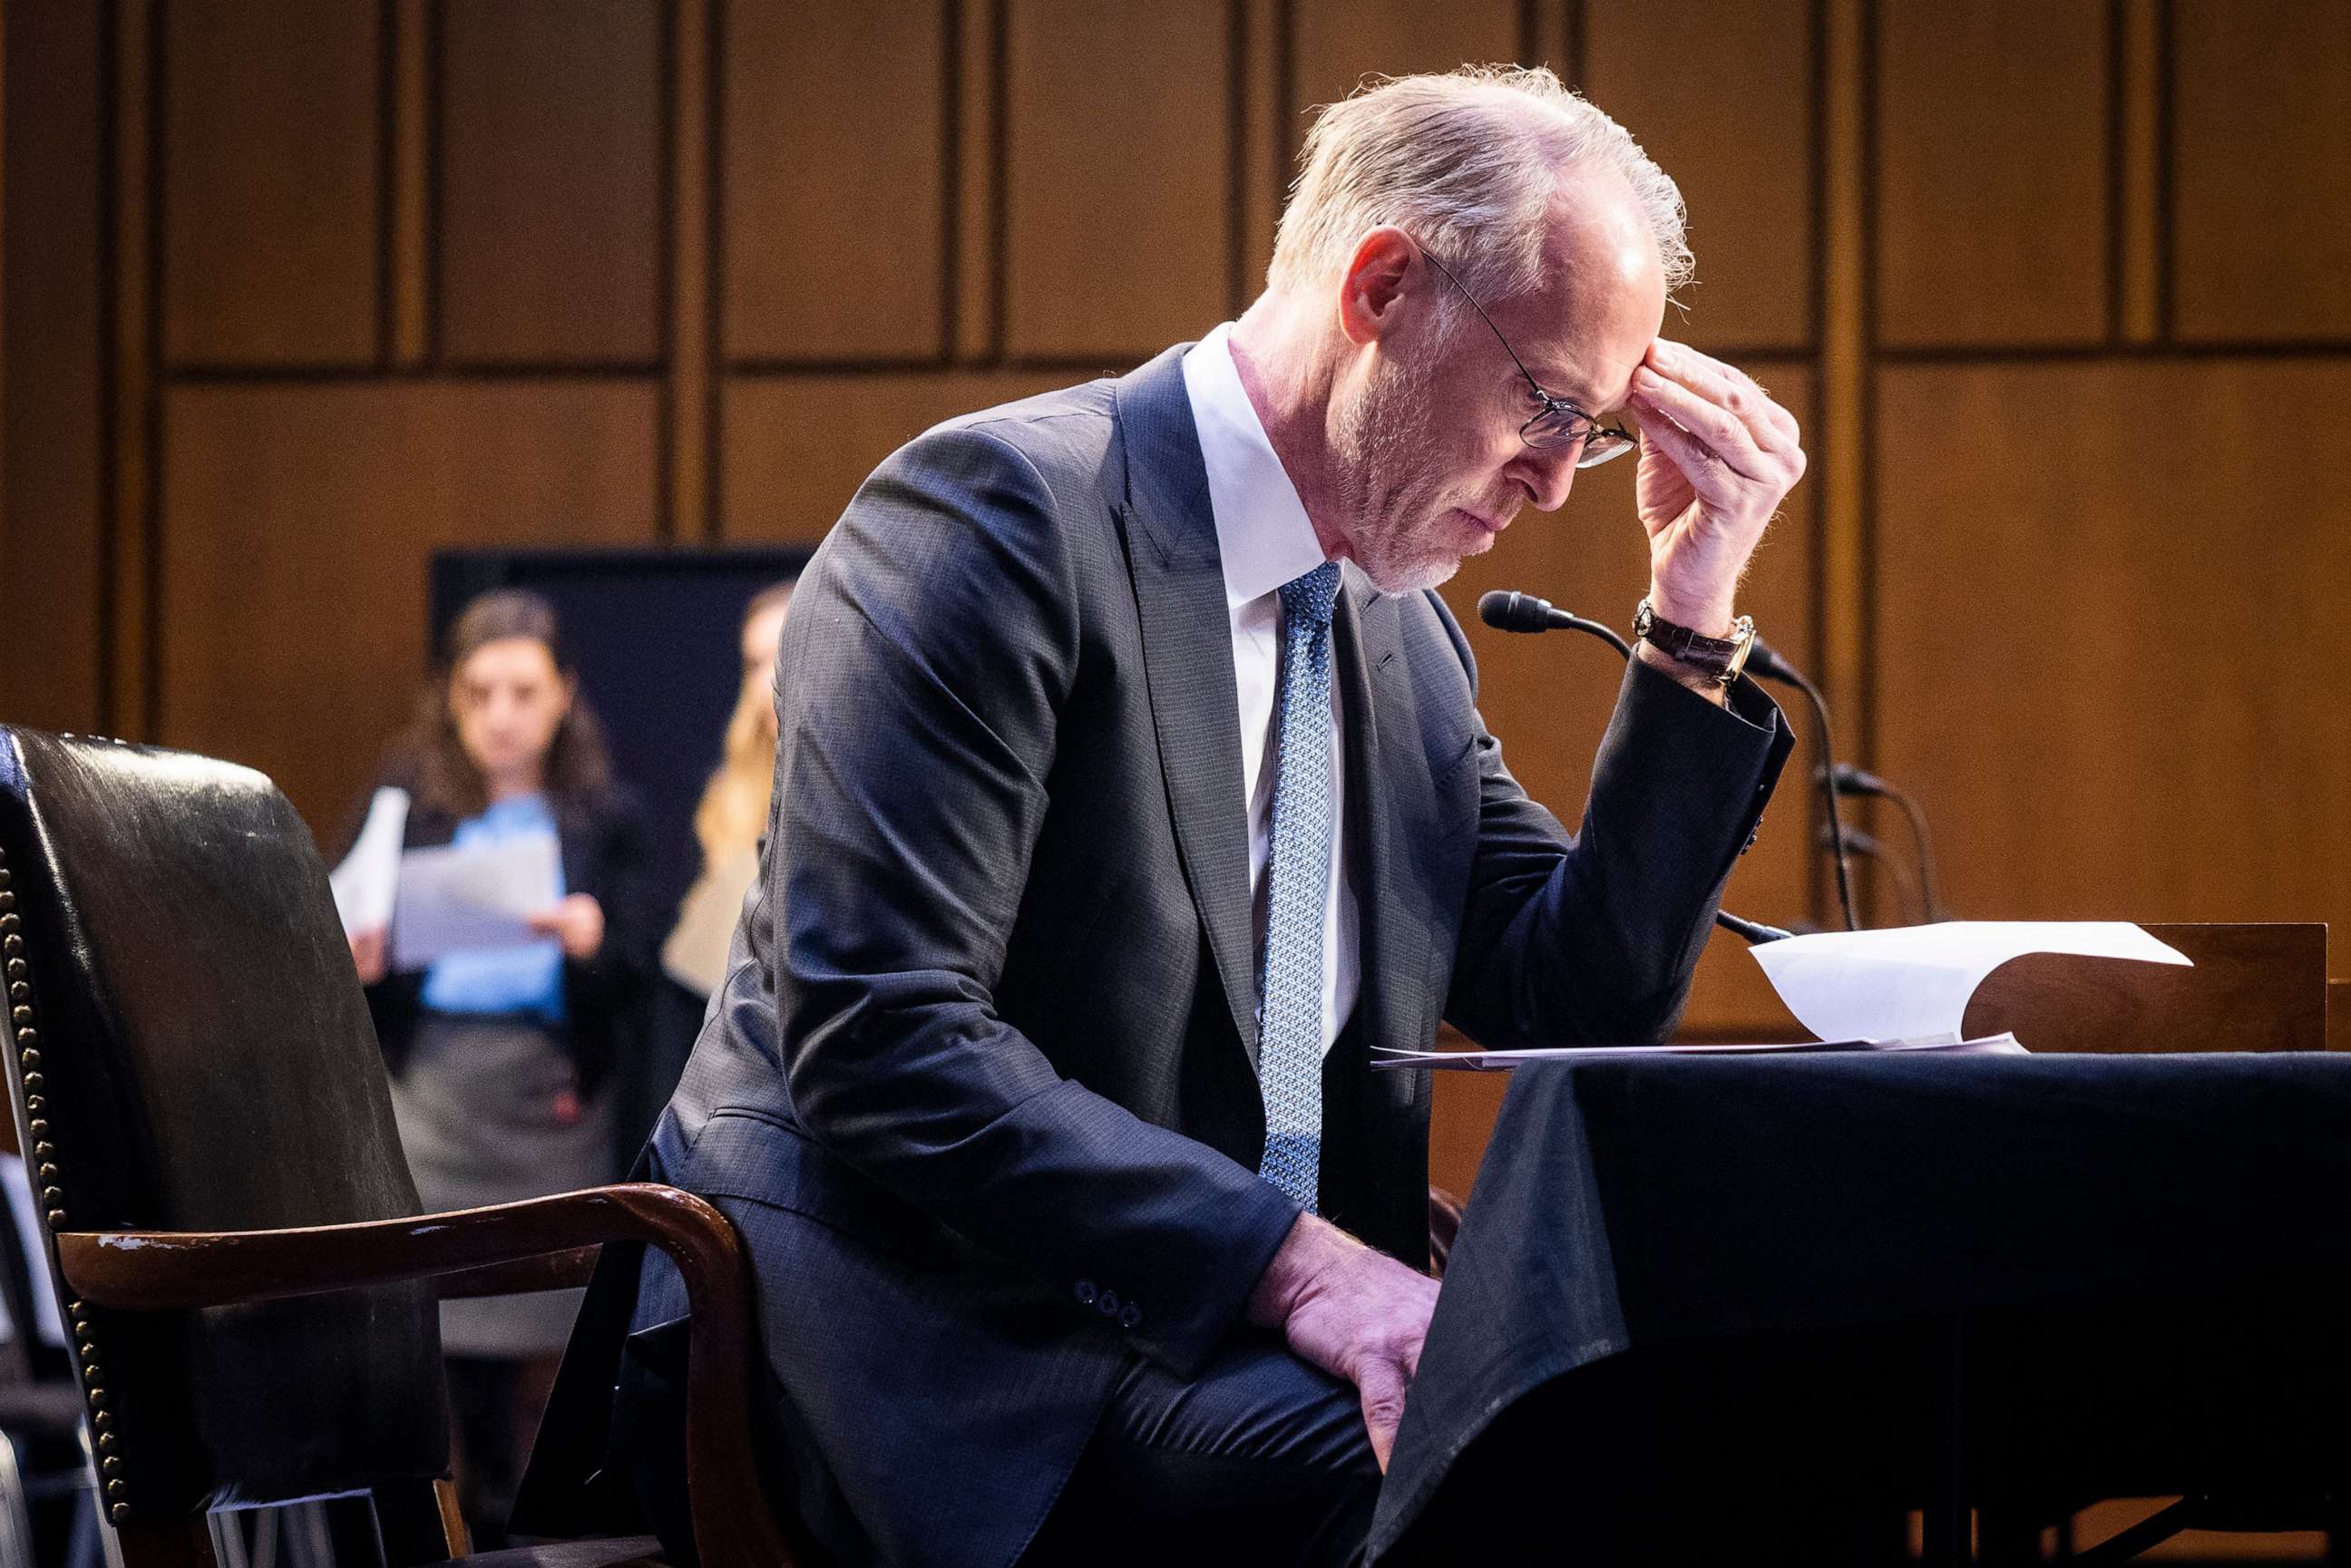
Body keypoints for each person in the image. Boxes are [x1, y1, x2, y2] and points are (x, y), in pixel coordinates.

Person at [528, 65, 1802, 1567]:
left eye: (1587, 434)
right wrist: (1298, 1263)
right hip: (954, 1337)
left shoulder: (1398, 632)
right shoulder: (993, 517)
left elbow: (1566, 984)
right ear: (1382, 286)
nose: (1552, 481)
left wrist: (1690, 612)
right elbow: (881, 1035)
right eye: (1547, 405)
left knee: (1749, 1430)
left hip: (1199, 1331)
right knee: (1521, 1472)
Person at [343, 589, 650, 1546]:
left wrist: (595, 942)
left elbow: (646, 971)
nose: (502, 714)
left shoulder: (604, 813)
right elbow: (332, 929)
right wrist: (358, 954)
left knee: (548, 1356)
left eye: (523, 690)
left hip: (551, 1108)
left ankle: (536, 1542)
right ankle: (455, 1538)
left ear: (563, 695)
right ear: (453, 700)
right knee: (439, 1359)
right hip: (433, 1100)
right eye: (480, 692)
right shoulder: (408, 802)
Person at [660, 580, 795, 999]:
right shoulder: (727, 802)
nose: (766, 682)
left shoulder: (874, 785)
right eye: (755, 663)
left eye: (785, 655)